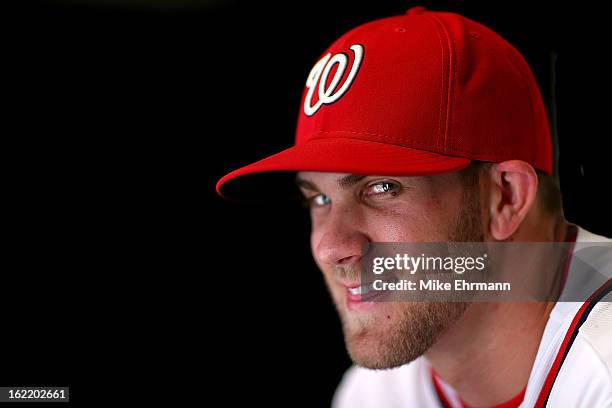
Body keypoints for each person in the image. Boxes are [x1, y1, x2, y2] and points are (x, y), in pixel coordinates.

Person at [216, 6, 612, 407]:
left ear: (506, 198)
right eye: (319, 199)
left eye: (382, 187)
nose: (330, 247)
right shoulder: (376, 393)